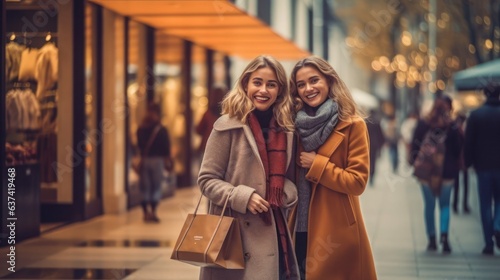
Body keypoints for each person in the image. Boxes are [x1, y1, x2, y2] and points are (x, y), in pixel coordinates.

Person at [198, 55, 300, 280]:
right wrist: (243, 196)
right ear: (245, 84)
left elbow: (292, 180)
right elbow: (206, 180)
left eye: (271, 84)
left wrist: (284, 193)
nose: (263, 90)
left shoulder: (287, 129)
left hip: (274, 231)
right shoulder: (227, 126)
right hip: (234, 235)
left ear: (279, 90)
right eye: (257, 82)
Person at [289, 56, 376, 280]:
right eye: (301, 84)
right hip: (297, 226)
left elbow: (357, 182)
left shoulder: (352, 124)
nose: (308, 88)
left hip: (334, 230)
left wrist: (316, 164)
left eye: (314, 80)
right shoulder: (291, 125)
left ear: (329, 81)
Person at [409, 95, 462, 253]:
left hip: (426, 172)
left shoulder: (424, 123)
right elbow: (459, 149)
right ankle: (444, 237)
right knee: (445, 205)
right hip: (447, 173)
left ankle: (432, 239)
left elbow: (414, 145)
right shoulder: (453, 127)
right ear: (450, 108)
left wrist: (414, 163)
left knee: (429, 205)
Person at [464, 82, 500, 255]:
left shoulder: (476, 115)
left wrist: (468, 162)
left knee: (485, 204)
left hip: (483, 167)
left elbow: (468, 142)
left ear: (485, 94)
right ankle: (498, 224)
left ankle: (488, 243)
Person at [136, 103, 173, 223]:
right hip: (157, 161)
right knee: (156, 186)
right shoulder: (161, 129)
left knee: (145, 187)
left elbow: (139, 145)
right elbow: (166, 147)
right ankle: (152, 212)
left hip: (145, 160)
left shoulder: (141, 128)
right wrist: (168, 160)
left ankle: (146, 213)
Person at [195, 85, 226, 154]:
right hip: (221, 148)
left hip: (208, 147)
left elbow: (199, 130)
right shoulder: (227, 114)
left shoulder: (208, 114)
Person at [452, 113, 470, 214]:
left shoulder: (465, 129)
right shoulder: (456, 130)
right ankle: (455, 204)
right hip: (458, 158)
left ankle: (464, 204)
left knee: (465, 183)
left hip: (464, 159)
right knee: (457, 183)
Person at [366, 109, 385, 186]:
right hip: (375, 144)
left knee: (367, 160)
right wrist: (381, 144)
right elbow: (380, 134)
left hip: (367, 144)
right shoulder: (377, 122)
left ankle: (367, 174)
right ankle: (372, 177)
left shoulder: (366, 122)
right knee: (373, 161)